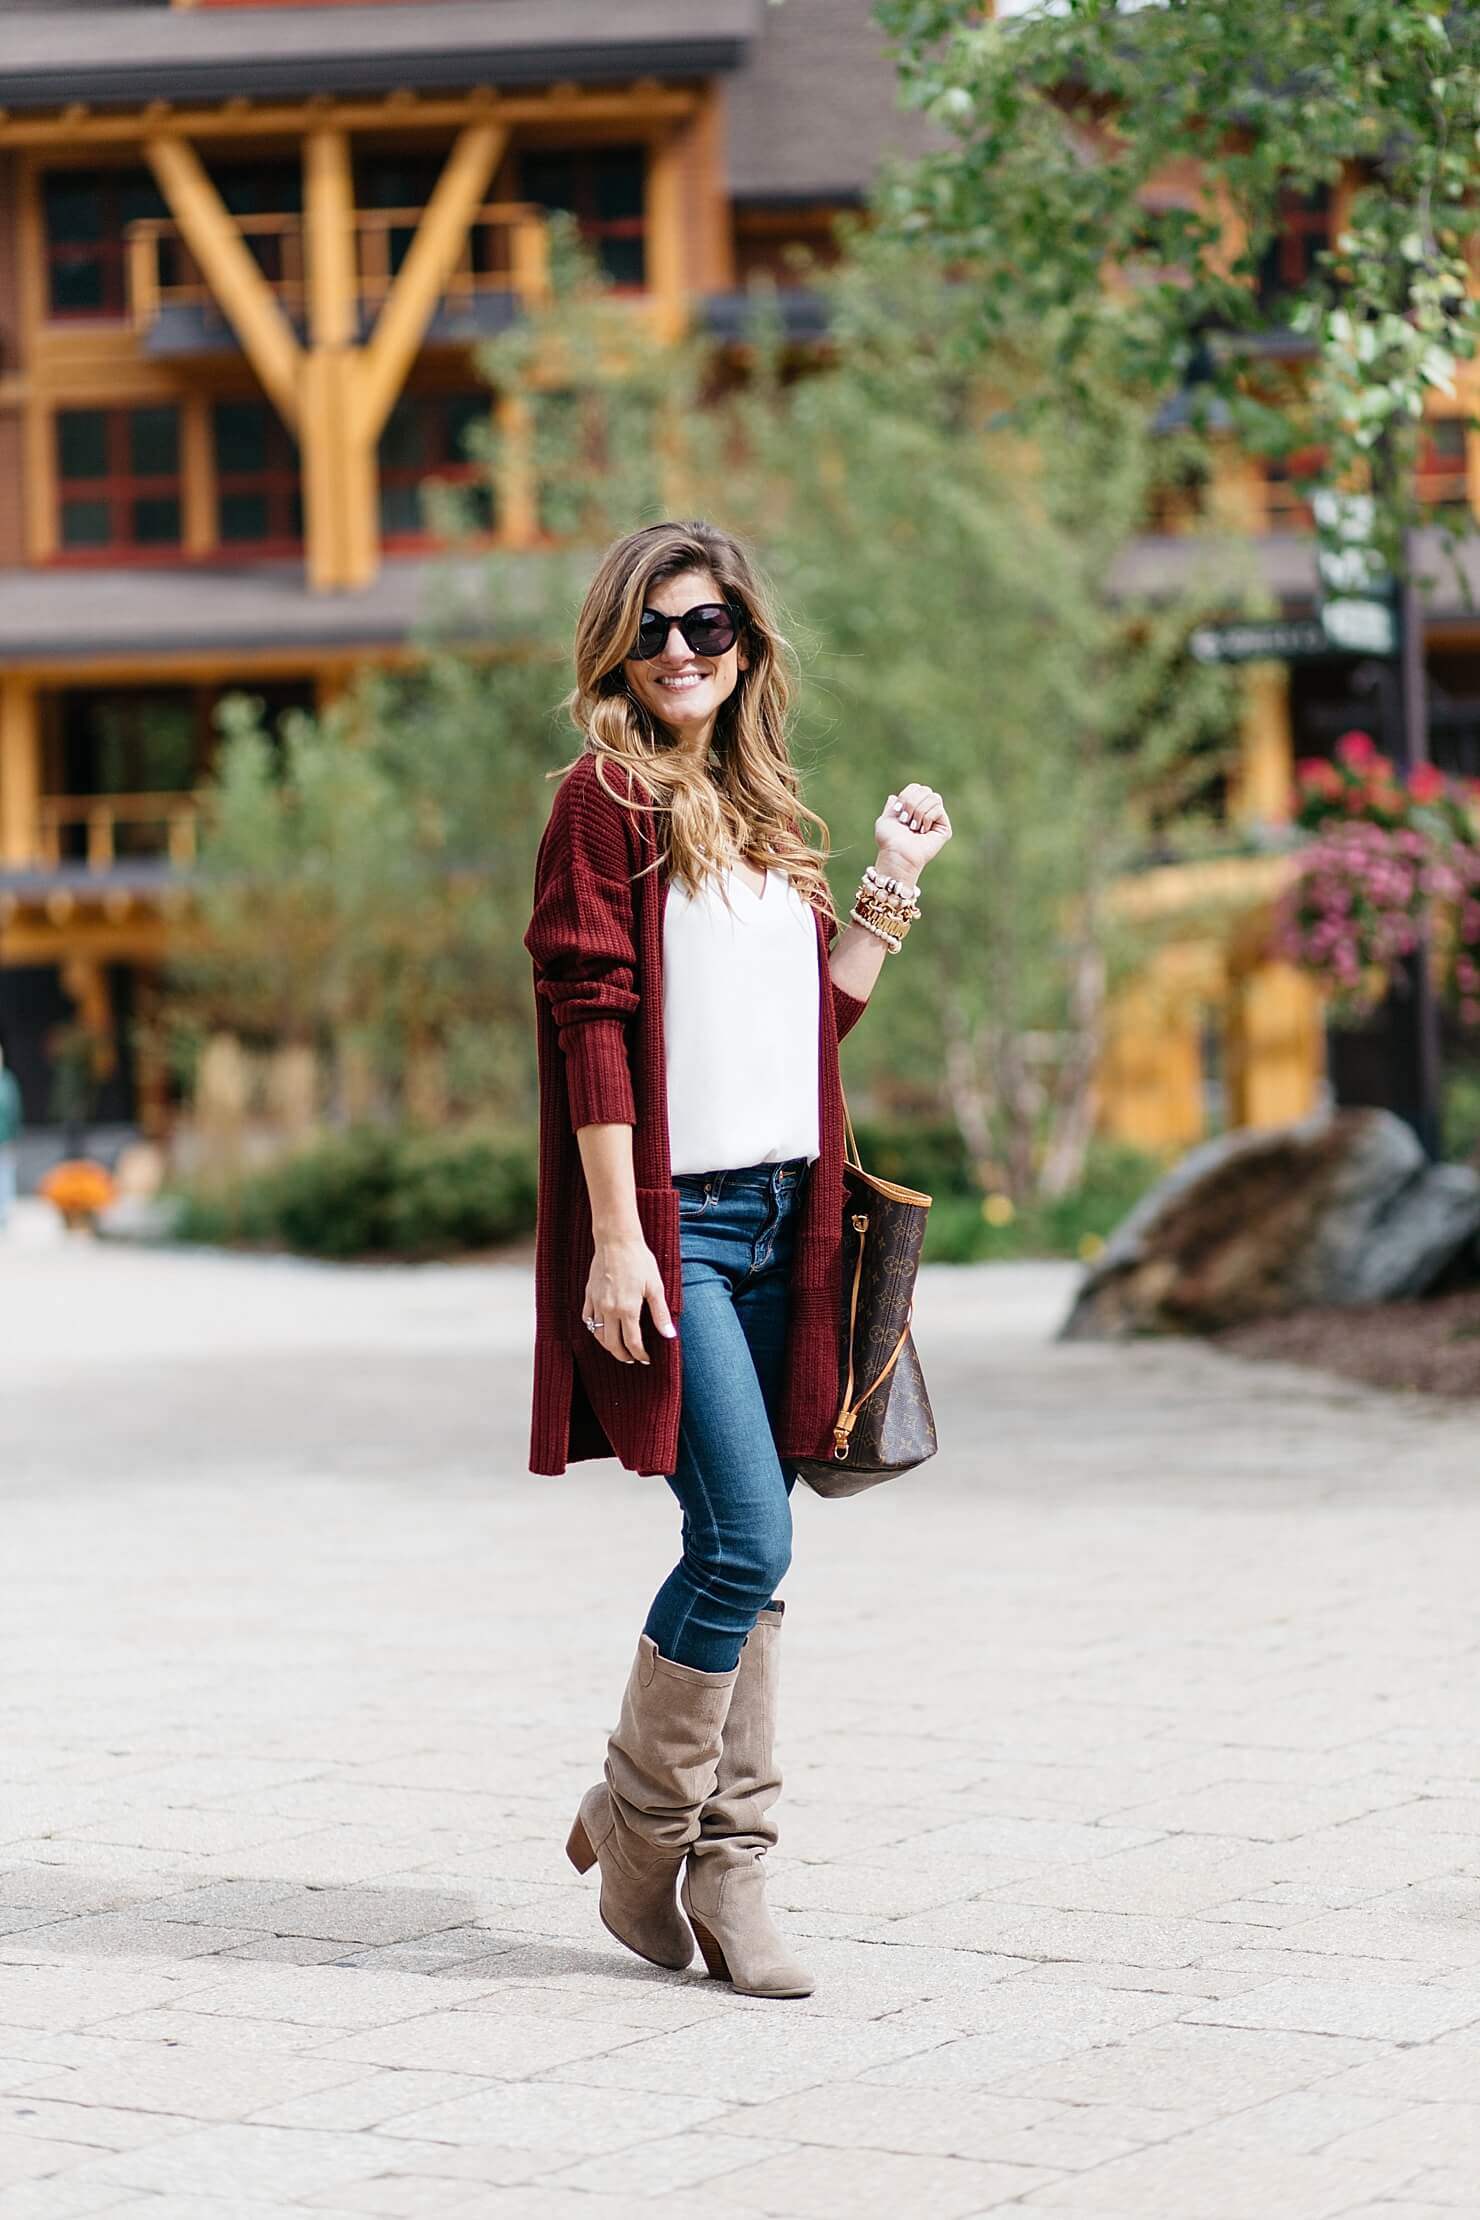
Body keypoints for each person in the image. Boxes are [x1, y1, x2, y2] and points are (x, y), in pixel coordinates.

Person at [524, 519, 951, 1999]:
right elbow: (589, 1019)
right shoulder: (606, 800)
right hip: (680, 1227)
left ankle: (721, 1868)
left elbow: (803, 1040)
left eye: (707, 627)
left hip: (790, 1219)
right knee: (746, 1543)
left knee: (752, 1555)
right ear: (617, 652)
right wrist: (619, 1241)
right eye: (654, 633)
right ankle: (656, 1842)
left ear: (749, 642)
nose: (683, 655)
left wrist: (890, 881)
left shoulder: (766, 814)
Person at [0, 1044, 21, 1231]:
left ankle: (4, 1213)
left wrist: (15, 1134)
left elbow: (15, 1111)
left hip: (4, 1138)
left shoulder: (7, 1082)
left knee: (5, 1175)